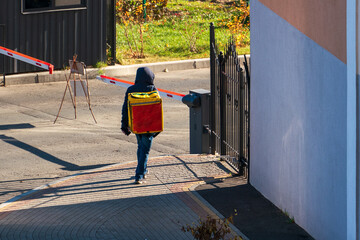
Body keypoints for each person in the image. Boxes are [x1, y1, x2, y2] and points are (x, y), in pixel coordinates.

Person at [121, 67, 158, 184]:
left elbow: (125, 109)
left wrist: (124, 124)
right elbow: (157, 109)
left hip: (136, 125)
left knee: (140, 147)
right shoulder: (152, 89)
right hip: (149, 126)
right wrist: (158, 127)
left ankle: (144, 169)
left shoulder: (130, 89)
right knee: (145, 150)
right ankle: (139, 175)